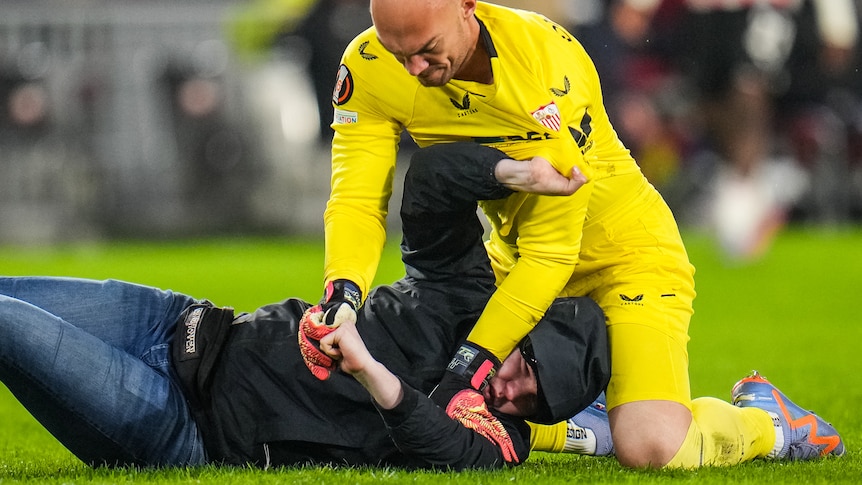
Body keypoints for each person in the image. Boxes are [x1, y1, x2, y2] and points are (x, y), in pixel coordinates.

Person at [311, 0, 844, 468]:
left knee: (653, 449)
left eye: (426, 50)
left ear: (466, 6)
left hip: (624, 255)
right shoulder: (370, 65)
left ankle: (770, 423)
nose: (414, 69)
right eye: (397, 52)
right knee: (423, 390)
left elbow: (552, 253)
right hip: (514, 260)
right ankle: (587, 422)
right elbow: (358, 197)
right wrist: (342, 291)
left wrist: (471, 366)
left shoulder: (541, 64)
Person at [0, 149, 610, 470]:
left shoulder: (501, 439)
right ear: (526, 327)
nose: (509, 393)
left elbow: (444, 449)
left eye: (532, 404)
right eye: (521, 372)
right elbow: (427, 182)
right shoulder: (466, 291)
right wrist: (512, 172)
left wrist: (372, 371)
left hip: (182, 423)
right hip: (183, 322)